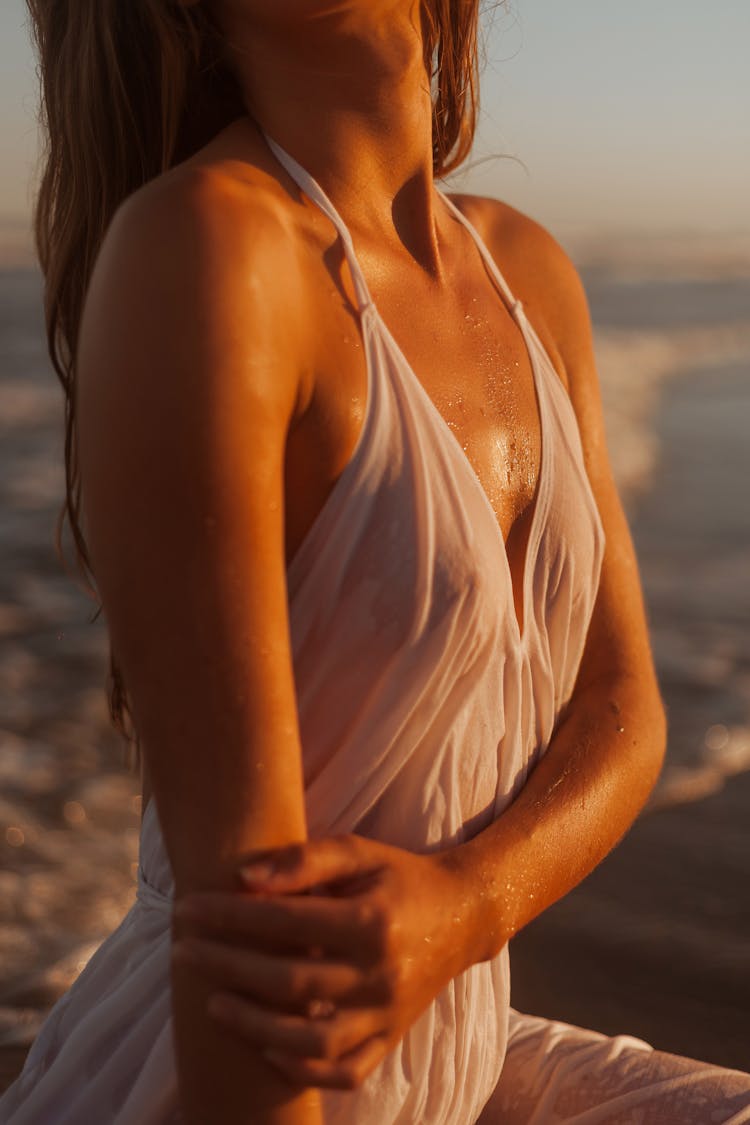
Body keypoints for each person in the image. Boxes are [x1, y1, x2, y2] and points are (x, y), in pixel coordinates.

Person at [2, 1, 749, 1123]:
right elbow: (252, 969)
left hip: (457, 1038)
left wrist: (462, 908)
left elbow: (623, 708)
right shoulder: (210, 249)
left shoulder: (528, 270)